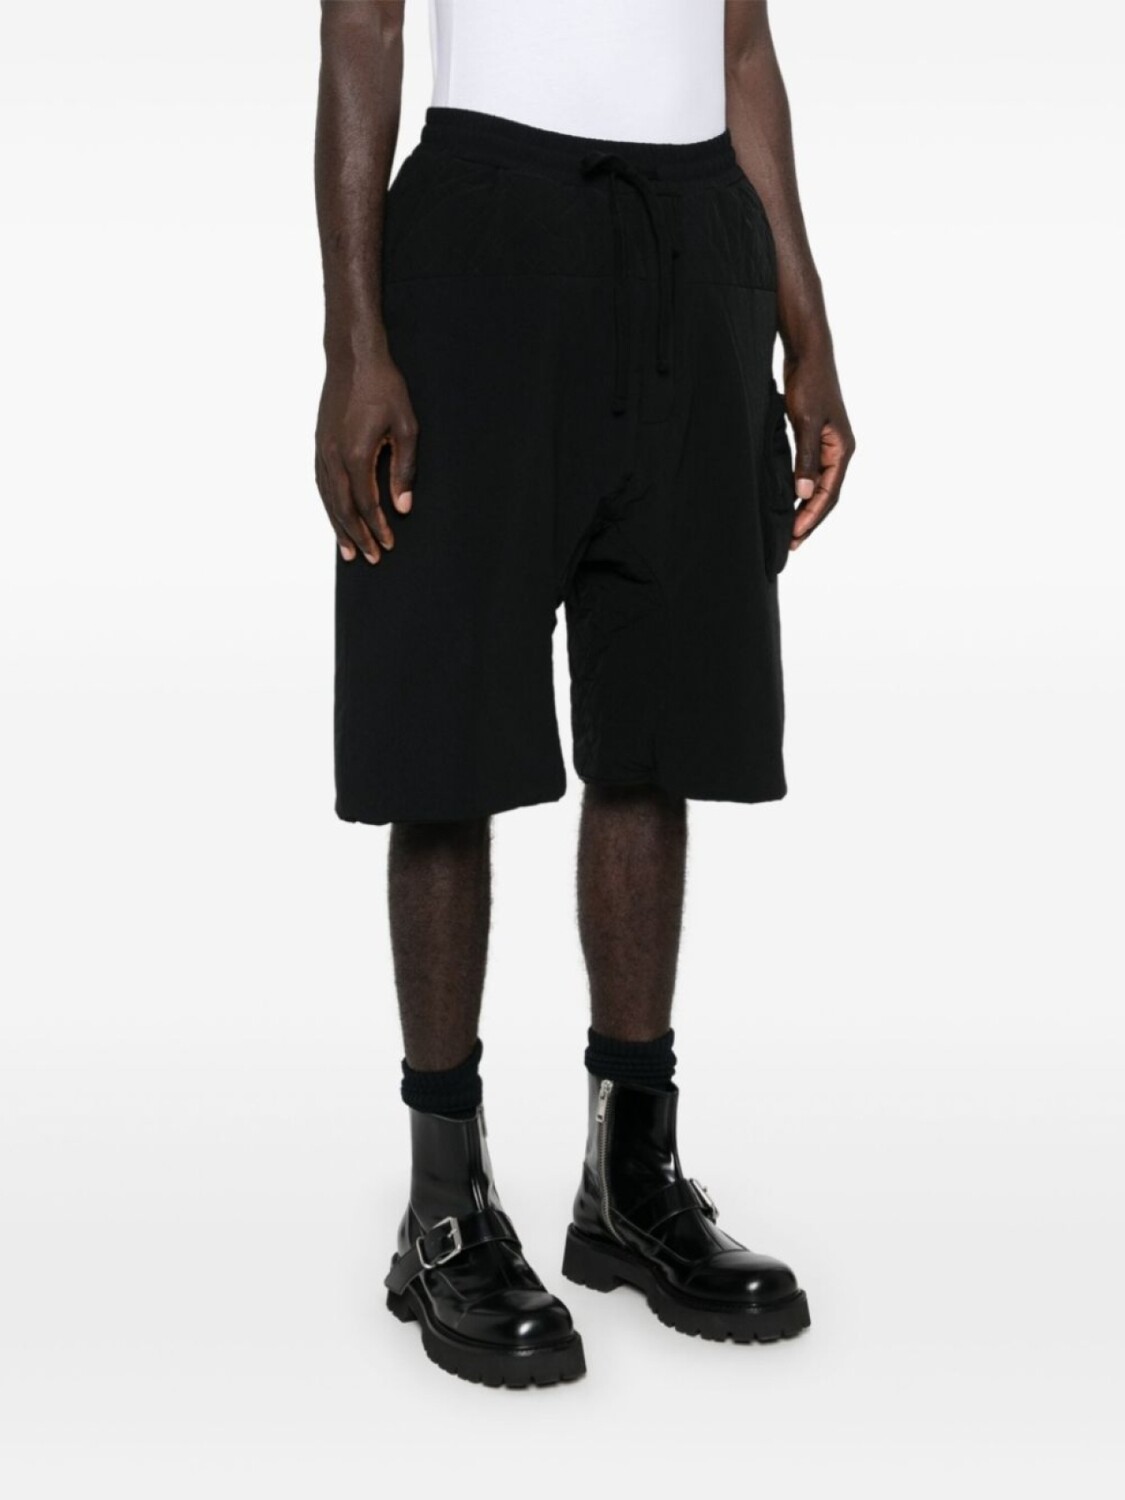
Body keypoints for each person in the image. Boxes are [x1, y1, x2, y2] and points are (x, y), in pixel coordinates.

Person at [314, 0, 854, 1388]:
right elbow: (362, 27)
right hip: (482, 233)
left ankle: (631, 1178)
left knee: (659, 729)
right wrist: (355, 343)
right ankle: (444, 1202)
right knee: (445, 737)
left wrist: (806, 324)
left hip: (695, 244)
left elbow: (741, 47)